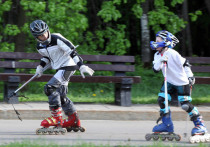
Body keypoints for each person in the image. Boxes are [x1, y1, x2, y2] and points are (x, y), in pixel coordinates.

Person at [30, 20, 94, 134]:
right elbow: (48, 57)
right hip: (60, 68)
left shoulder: (56, 38)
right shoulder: (39, 46)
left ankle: (57, 119)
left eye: (45, 32)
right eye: (40, 35)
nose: (44, 36)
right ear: (36, 37)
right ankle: (73, 120)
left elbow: (72, 52)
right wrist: (40, 67)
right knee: (61, 96)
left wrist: (81, 66)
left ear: (48, 30)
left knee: (49, 88)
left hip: (69, 65)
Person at [150, 30, 208, 137]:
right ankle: (167, 125)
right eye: (155, 40)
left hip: (182, 82)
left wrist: (190, 76)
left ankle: (200, 125)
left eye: (158, 41)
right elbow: (155, 69)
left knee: (185, 105)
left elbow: (185, 63)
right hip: (169, 81)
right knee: (162, 100)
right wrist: (161, 61)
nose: (155, 43)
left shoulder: (173, 53)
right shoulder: (157, 55)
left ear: (166, 42)